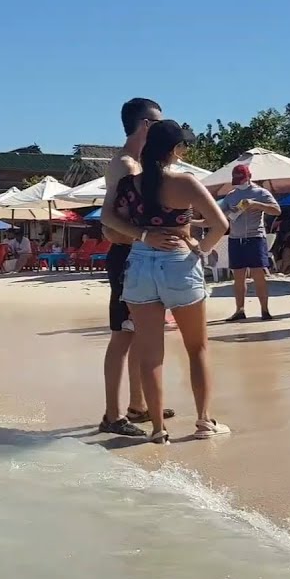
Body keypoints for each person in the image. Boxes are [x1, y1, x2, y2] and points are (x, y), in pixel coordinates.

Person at [108, 119, 231, 444]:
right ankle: (204, 422)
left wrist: (144, 235)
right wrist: (198, 251)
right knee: (197, 348)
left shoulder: (129, 184)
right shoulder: (186, 183)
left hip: (139, 264)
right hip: (179, 262)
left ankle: (158, 429)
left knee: (150, 354)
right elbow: (221, 225)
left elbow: (108, 218)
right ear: (176, 150)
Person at [94, 98, 180, 437]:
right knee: (122, 336)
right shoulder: (127, 165)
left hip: (137, 255)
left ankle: (137, 405)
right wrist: (146, 235)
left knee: (137, 334)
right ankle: (112, 415)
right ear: (145, 124)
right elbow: (108, 221)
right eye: (158, 121)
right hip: (127, 256)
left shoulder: (138, 163)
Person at [220, 164, 281, 321]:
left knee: (258, 275)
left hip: (255, 237)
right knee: (238, 277)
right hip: (235, 238)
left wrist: (256, 205)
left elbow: (276, 210)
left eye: (241, 180)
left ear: (249, 177)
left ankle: (265, 310)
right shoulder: (231, 195)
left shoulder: (260, 192)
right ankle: (239, 310)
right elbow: (220, 214)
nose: (239, 183)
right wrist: (231, 212)